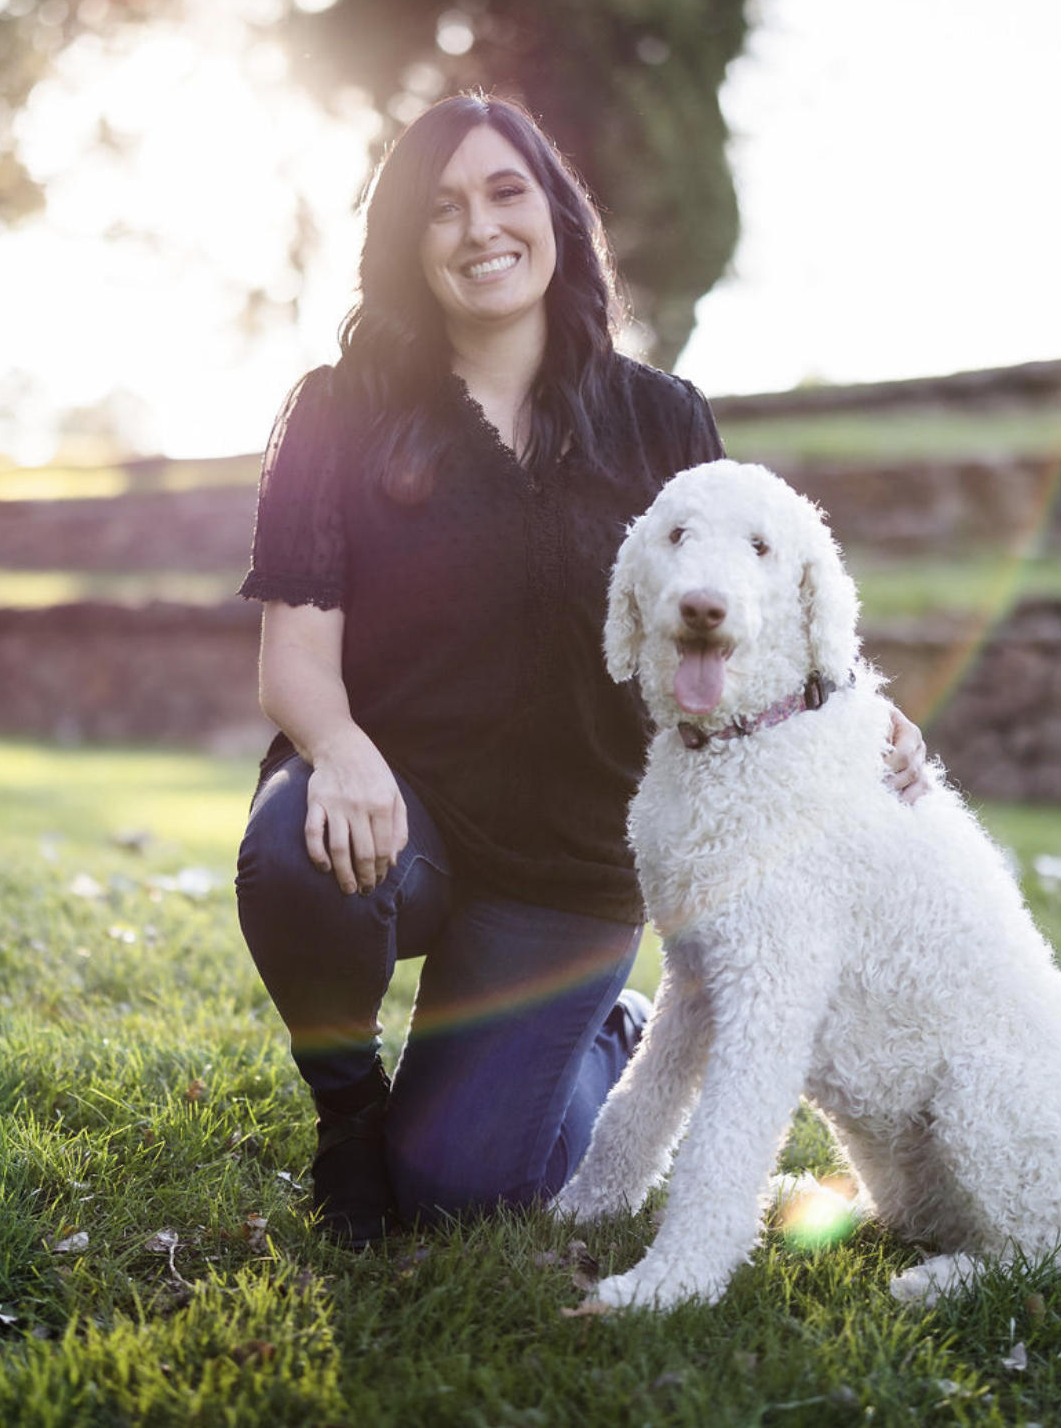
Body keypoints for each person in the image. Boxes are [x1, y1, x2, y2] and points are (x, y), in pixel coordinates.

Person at [234, 92, 927, 1246]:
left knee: (464, 1194)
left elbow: (744, 610)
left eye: (508, 193)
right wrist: (340, 749)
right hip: (402, 812)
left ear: (556, 216)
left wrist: (862, 710)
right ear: (408, 240)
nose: (479, 228)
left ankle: (604, 1033)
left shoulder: (661, 421)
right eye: (442, 207)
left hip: (570, 863)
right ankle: (348, 1120)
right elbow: (296, 655)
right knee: (294, 854)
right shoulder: (339, 413)